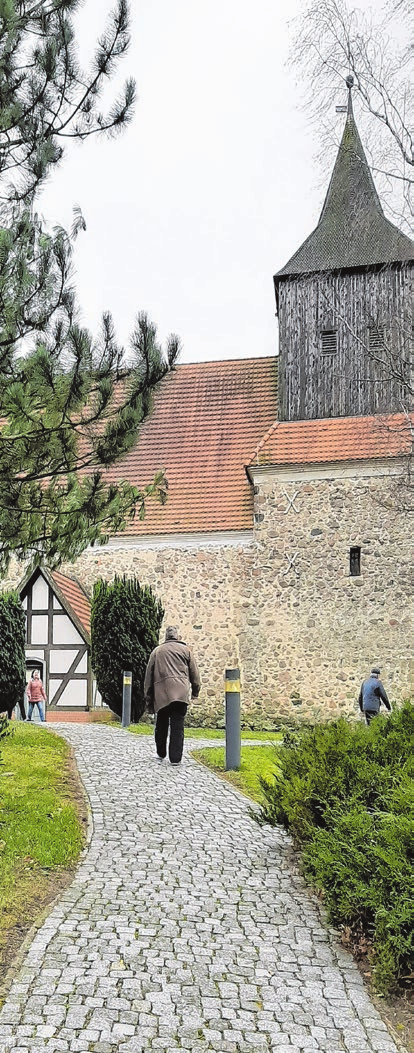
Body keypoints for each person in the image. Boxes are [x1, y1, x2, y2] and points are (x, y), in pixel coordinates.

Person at [144, 626, 201, 765]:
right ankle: (175, 758)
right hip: (181, 693)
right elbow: (195, 674)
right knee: (178, 726)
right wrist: (195, 691)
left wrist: (148, 699)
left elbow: (148, 678)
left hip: (162, 694)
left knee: (161, 724)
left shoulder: (156, 652)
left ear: (166, 637)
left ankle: (161, 752)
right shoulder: (186, 650)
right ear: (177, 636)